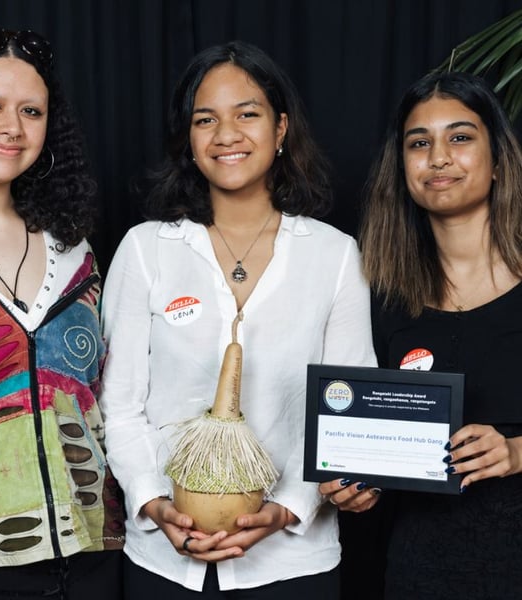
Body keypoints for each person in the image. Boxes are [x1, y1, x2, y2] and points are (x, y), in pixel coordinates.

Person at [99, 40, 376, 599]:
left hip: (294, 564)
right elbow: (118, 403)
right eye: (206, 120)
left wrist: (287, 509)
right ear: (188, 141)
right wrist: (153, 500)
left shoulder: (335, 255)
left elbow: (346, 410)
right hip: (161, 563)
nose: (227, 135)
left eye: (247, 114)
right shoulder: (146, 248)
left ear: (280, 129)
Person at [0, 24, 124, 599]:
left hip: (92, 556)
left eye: (31, 111)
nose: (12, 127)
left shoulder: (74, 248)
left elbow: (108, 395)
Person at [324, 70, 522, 599]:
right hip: (421, 568)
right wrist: (354, 484)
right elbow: (371, 437)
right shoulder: (380, 296)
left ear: (499, 159)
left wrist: (519, 452)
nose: (438, 157)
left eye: (460, 137)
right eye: (419, 143)